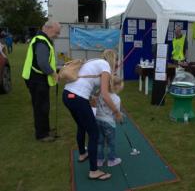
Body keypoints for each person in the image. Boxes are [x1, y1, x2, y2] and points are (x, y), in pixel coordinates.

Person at [62, 49, 123, 180]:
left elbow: (89, 85)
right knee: (94, 133)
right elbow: (106, 95)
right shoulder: (105, 66)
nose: (117, 63)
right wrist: (117, 112)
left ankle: (83, 154)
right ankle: (93, 171)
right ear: (113, 59)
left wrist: (91, 97)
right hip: (78, 98)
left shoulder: (94, 62)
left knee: (82, 126)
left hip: (67, 95)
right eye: (117, 60)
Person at [22, 20, 60, 142]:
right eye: (56, 32)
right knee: (41, 107)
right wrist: (53, 73)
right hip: (36, 80)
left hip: (37, 79)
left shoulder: (43, 39)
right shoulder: (41, 41)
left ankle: (46, 129)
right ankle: (42, 134)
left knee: (44, 106)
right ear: (48, 29)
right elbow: (43, 63)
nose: (57, 35)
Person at [94, 76, 124, 167]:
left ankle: (99, 160)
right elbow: (116, 114)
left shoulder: (100, 93)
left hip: (98, 120)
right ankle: (111, 160)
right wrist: (120, 117)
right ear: (117, 87)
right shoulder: (116, 98)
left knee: (100, 142)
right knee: (111, 142)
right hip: (109, 123)